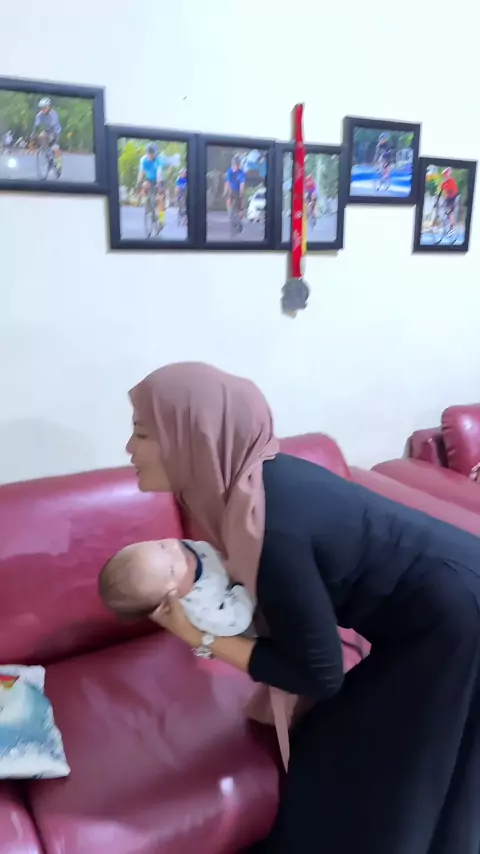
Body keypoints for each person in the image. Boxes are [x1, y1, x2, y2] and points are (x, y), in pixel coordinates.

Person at [124, 361, 480, 854]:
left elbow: (318, 674)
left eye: (142, 434)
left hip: (455, 619)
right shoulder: (254, 481)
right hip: (447, 599)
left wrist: (197, 636)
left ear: (193, 438)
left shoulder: (269, 524)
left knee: (380, 765)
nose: (129, 448)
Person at [99, 537, 254, 637]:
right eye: (171, 570)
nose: (176, 551)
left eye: (161, 546)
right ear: (171, 598)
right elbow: (239, 621)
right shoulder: (202, 607)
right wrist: (240, 588)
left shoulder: (184, 553)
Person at [137, 143, 166, 228]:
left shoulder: (159, 160)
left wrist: (159, 186)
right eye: (151, 154)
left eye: (154, 154)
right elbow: (141, 173)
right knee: (145, 185)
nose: (152, 156)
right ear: (147, 153)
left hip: (160, 180)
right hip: (149, 179)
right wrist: (138, 184)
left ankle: (161, 220)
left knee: (160, 199)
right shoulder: (143, 160)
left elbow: (159, 174)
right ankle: (148, 203)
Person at [32, 98, 62, 171]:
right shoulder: (39, 115)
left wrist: (52, 136)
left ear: (48, 107)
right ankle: (47, 154)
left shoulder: (53, 114)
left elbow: (53, 124)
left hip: (56, 131)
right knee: (41, 137)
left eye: (44, 108)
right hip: (47, 130)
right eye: (41, 108)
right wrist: (34, 133)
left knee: (55, 148)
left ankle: (59, 164)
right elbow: (37, 125)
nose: (43, 109)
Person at [224, 155, 246, 220]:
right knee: (229, 197)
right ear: (232, 165)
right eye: (235, 165)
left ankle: (240, 213)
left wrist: (241, 193)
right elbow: (227, 183)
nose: (236, 166)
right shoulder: (229, 172)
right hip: (231, 189)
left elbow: (242, 184)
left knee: (241, 200)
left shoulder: (241, 172)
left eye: (237, 165)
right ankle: (230, 211)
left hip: (238, 190)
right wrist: (226, 192)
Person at [438, 167, 459, 233]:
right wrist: (438, 200)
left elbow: (455, 191)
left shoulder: (451, 181)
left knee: (450, 212)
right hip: (448, 197)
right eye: (444, 176)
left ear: (448, 175)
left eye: (446, 175)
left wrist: (450, 197)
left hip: (453, 197)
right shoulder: (443, 183)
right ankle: (446, 221)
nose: (444, 177)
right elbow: (441, 192)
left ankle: (452, 227)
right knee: (444, 207)